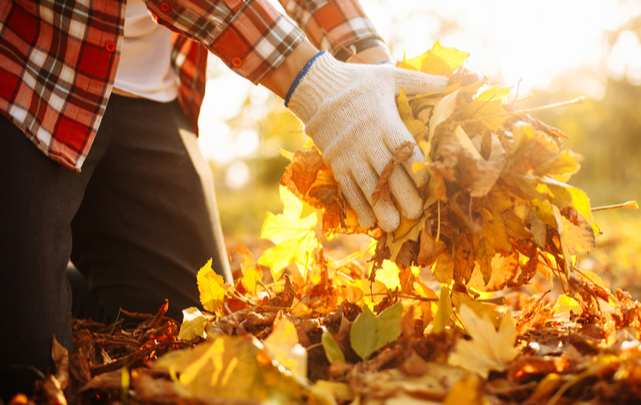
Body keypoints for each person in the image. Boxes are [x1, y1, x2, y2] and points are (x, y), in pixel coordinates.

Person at [0, 0, 447, 398]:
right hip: (29, 72)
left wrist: (371, 64)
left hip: (148, 93)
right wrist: (315, 82)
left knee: (187, 323)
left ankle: (48, 275)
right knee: (29, 372)